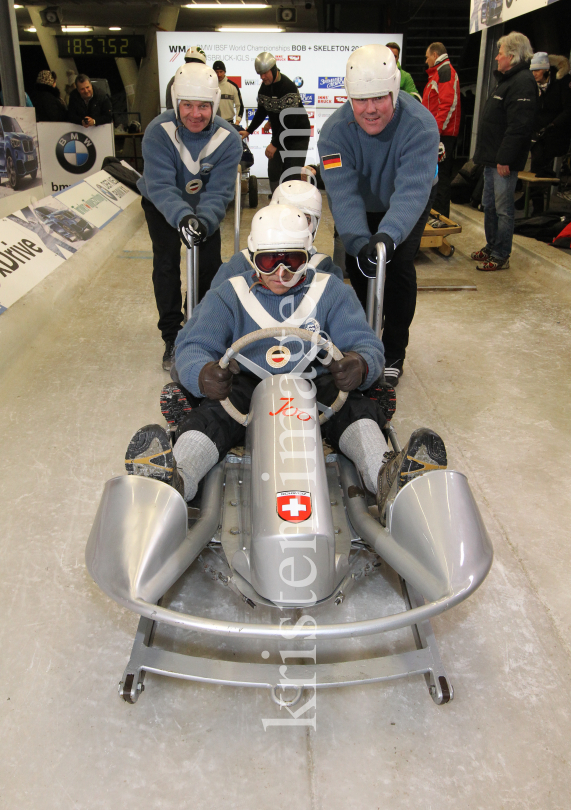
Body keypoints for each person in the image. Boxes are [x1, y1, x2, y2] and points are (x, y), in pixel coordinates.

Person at [125, 205, 447, 526]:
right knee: (212, 417)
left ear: (308, 255)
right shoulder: (229, 295)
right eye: (269, 261)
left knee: (356, 411)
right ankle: (176, 479)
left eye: (292, 261)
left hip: (318, 386)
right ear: (253, 257)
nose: (281, 274)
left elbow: (366, 343)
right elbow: (191, 345)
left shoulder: (331, 292)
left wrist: (359, 364)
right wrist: (203, 373)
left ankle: (386, 478)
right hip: (246, 389)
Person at [317, 44, 439, 386]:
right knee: (360, 268)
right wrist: (359, 241)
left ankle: (394, 348)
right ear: (350, 97)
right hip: (362, 202)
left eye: (379, 99)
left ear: (394, 93)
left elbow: (412, 190)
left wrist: (387, 237)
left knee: (396, 266)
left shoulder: (421, 127)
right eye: (360, 100)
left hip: (405, 200)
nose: (370, 110)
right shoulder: (334, 134)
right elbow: (343, 193)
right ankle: (361, 342)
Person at [138, 62, 242, 370]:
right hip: (162, 205)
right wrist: (182, 217)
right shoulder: (158, 132)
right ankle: (172, 335)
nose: (195, 114)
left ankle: (199, 328)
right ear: (176, 103)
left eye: (203, 106)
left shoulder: (228, 139)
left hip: (203, 210)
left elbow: (220, 191)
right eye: (187, 105)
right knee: (167, 262)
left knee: (209, 266)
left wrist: (202, 220)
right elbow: (160, 185)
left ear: (213, 105)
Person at [472, 33, 537, 272]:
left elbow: (519, 126)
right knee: (488, 205)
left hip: (502, 161)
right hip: (492, 158)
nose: (497, 57)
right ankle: (492, 245)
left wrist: (504, 158)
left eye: (500, 53)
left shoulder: (522, 82)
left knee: (503, 209)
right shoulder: (508, 80)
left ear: (512, 56)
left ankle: (501, 254)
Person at [240, 52, 311, 192]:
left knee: (291, 175)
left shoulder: (288, 87)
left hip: (296, 136)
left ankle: (290, 203)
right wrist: (249, 130)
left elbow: (290, 122)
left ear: (273, 69)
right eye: (260, 74)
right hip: (280, 134)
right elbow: (261, 111)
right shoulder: (265, 87)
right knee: (273, 170)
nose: (262, 77)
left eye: (265, 73)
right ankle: (276, 199)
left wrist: (274, 144)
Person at [527, 52, 571, 213]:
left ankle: (534, 203)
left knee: (540, 166)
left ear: (546, 70)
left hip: (556, 133)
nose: (534, 74)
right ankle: (535, 204)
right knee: (536, 165)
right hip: (539, 133)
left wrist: (552, 125)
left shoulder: (561, 84)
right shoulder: (534, 87)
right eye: (532, 71)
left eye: (537, 70)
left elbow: (568, 110)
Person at [422, 42, 461, 218]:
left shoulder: (445, 72)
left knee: (441, 178)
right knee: (434, 177)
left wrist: (436, 132)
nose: (426, 61)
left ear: (435, 54)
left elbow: (448, 104)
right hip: (438, 134)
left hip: (442, 136)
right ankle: (435, 218)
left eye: (427, 57)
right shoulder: (438, 74)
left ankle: (441, 220)